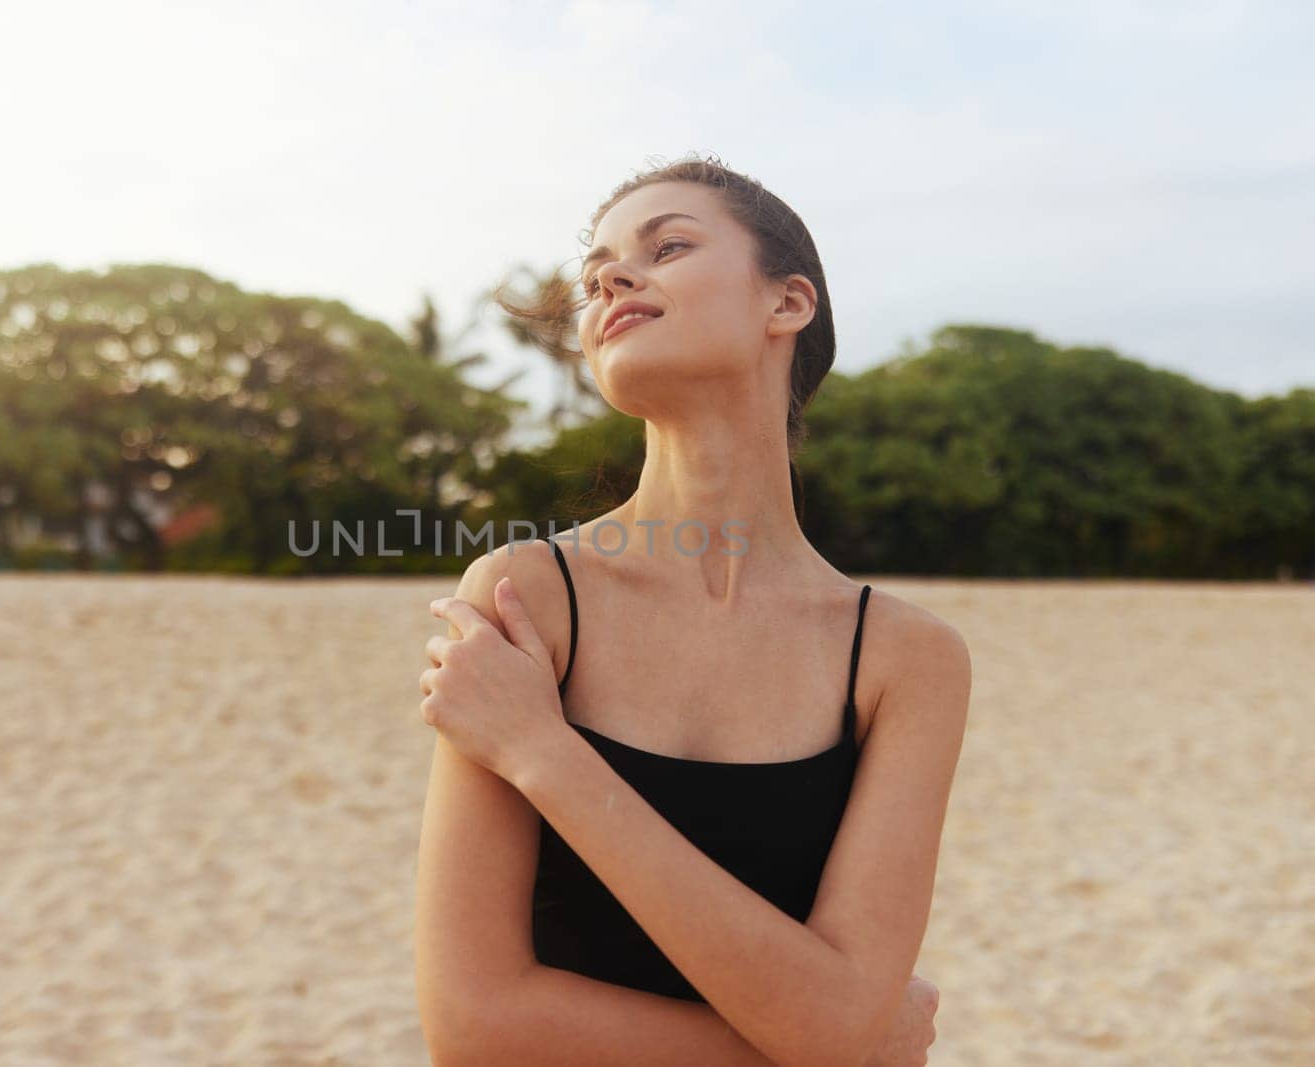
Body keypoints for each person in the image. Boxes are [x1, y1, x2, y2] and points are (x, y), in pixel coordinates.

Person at [414, 153, 969, 1066]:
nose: (611, 282)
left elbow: (840, 1024)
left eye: (668, 245)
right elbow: (474, 1027)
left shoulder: (905, 657)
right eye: (594, 279)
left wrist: (540, 751)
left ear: (786, 304)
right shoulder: (526, 594)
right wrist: (826, 1047)